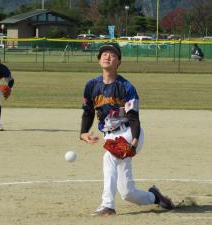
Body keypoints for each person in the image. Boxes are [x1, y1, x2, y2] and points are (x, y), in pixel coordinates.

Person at [80, 43, 174, 216]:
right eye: (104, 54)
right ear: (99, 59)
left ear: (119, 63)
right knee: (128, 193)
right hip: (110, 137)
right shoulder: (91, 85)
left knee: (109, 157)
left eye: (112, 54)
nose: (108, 56)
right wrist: (83, 132)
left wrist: (135, 140)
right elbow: (88, 112)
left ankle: (107, 205)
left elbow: (133, 117)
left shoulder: (126, 87)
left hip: (129, 132)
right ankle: (156, 198)